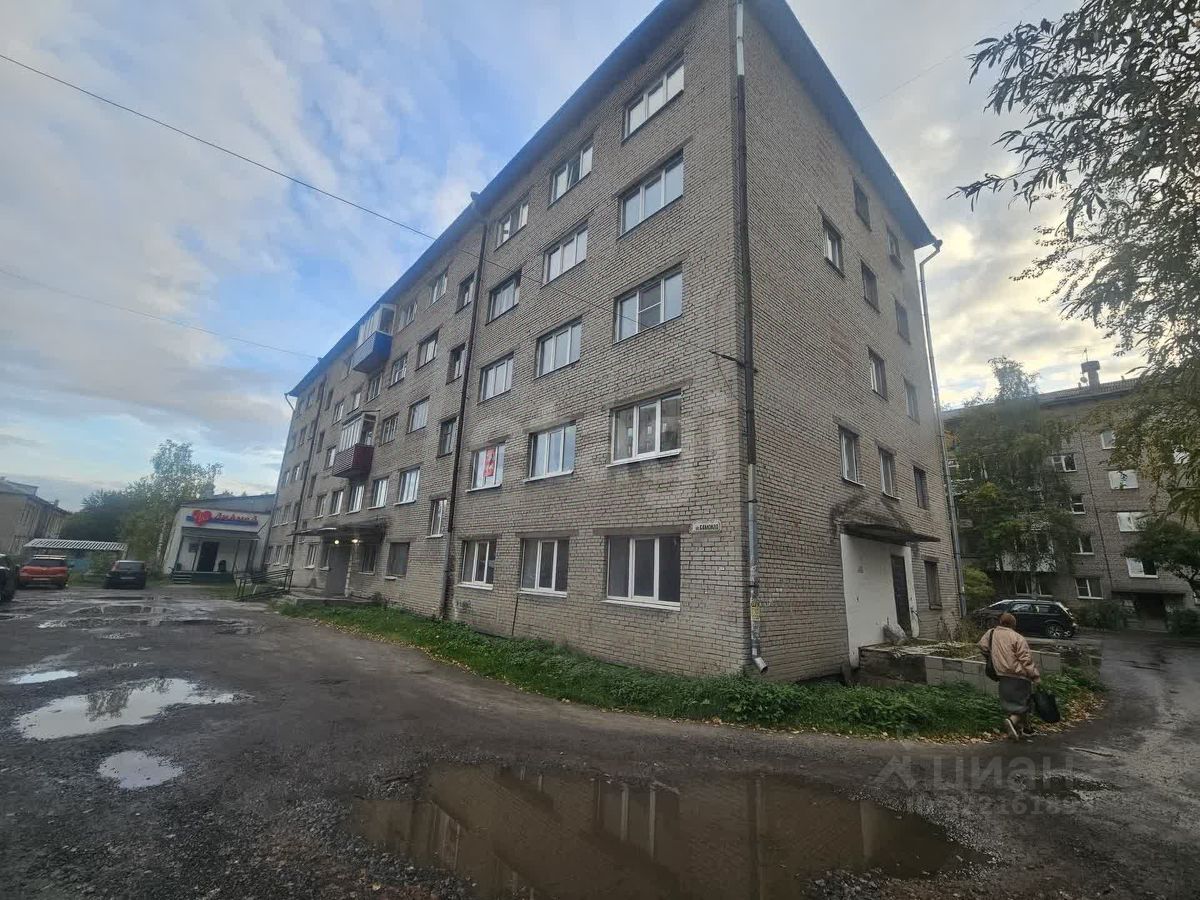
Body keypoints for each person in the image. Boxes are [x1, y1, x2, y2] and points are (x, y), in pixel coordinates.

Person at [979, 612, 1040, 740]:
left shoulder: (991, 633)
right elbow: (1025, 659)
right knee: (1024, 703)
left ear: (1000, 622)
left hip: (1002, 674)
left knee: (1015, 703)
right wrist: (1034, 675)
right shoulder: (1017, 637)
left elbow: (982, 646)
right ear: (1013, 624)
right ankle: (1012, 721)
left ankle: (1027, 729)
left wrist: (992, 657)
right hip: (1019, 675)